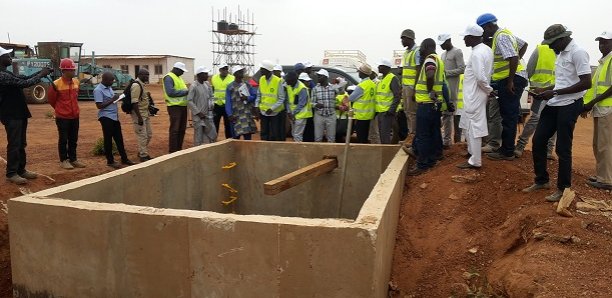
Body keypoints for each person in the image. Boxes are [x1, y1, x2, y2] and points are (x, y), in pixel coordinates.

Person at [523, 24, 592, 202]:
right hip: (555, 103)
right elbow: (562, 82)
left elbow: (586, 83)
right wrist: (544, 90)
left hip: (570, 104)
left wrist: (553, 93)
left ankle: (563, 189)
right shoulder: (561, 54)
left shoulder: (578, 53)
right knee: (538, 140)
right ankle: (541, 181)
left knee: (563, 147)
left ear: (562, 39)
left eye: (552, 43)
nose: (550, 47)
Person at [477, 13, 529, 160]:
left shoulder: (501, 37)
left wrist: (510, 80)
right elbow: (524, 44)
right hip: (510, 78)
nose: (482, 33)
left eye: (482, 29)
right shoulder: (505, 34)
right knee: (508, 115)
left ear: (488, 26)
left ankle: (507, 151)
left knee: (509, 116)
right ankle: (506, 148)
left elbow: (512, 57)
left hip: (511, 79)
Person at [0, 46, 50, 184]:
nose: (10, 58)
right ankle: (11, 173)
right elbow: (24, 83)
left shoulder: (7, 73)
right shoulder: (2, 75)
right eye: (7, 56)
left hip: (19, 112)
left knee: (21, 143)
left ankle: (21, 170)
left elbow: (25, 77)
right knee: (14, 144)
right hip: (11, 114)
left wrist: (41, 72)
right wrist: (40, 75)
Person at [408, 39, 447, 176]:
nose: (420, 51)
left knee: (423, 135)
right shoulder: (439, 60)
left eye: (421, 49)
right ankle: (431, 160)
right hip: (434, 104)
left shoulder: (430, 59)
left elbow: (430, 74)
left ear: (426, 47)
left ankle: (423, 164)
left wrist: (430, 91)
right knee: (432, 133)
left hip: (426, 104)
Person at [456, 25, 493, 169]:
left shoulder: (477, 53)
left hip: (474, 95)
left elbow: (480, 77)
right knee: (466, 124)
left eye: (465, 37)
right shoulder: (485, 50)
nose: (464, 39)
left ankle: (475, 160)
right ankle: (471, 152)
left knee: (474, 127)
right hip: (474, 95)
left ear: (472, 37)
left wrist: (489, 90)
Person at [514, 44, 557, 159]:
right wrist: (530, 88)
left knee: (554, 120)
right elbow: (529, 71)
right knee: (535, 118)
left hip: (557, 92)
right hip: (541, 92)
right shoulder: (541, 49)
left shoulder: (566, 53)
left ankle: (548, 150)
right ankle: (520, 146)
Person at [581, 31, 612, 190]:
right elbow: (593, 88)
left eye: (605, 42)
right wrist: (588, 104)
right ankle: (602, 174)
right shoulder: (602, 63)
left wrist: (593, 102)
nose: (602, 45)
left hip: (608, 108)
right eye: (600, 42)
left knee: (604, 145)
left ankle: (606, 179)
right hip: (601, 108)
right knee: (598, 144)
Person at [47, 58, 85, 170]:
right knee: (63, 139)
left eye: (74, 69)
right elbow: (51, 100)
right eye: (72, 70)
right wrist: (60, 109)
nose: (74, 72)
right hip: (62, 117)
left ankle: (73, 159)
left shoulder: (76, 82)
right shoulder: (56, 84)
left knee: (73, 139)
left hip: (75, 116)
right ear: (64, 71)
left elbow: (76, 97)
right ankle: (64, 160)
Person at [94, 72, 135, 169]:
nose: (113, 82)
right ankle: (110, 160)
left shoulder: (109, 88)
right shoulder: (98, 90)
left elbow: (113, 100)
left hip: (114, 117)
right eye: (111, 80)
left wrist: (119, 97)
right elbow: (99, 106)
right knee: (108, 139)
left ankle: (124, 158)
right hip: (106, 117)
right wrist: (112, 99)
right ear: (105, 80)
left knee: (119, 139)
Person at [437, 34, 466, 147]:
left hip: (452, 88)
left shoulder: (457, 52)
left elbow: (462, 68)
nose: (442, 46)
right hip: (442, 89)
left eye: (443, 43)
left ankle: (447, 141)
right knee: (444, 115)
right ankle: (445, 139)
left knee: (448, 114)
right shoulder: (443, 55)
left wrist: (447, 73)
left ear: (448, 41)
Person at [312, 69, 344, 142]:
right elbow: (311, 102)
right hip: (319, 115)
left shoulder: (333, 87)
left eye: (320, 76)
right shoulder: (315, 89)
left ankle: (330, 153)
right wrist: (316, 104)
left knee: (331, 138)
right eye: (318, 76)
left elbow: (342, 92)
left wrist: (339, 83)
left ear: (325, 77)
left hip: (331, 115)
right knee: (318, 138)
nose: (318, 78)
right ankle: (318, 153)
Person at [256, 60, 286, 141]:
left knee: (274, 134)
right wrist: (256, 106)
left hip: (274, 113)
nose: (260, 70)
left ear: (267, 70)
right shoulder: (261, 79)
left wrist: (272, 108)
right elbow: (259, 94)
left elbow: (281, 98)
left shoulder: (278, 81)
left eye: (262, 69)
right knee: (264, 133)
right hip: (264, 112)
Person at [163, 62, 189, 153]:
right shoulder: (169, 77)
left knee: (182, 129)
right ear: (177, 69)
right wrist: (186, 92)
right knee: (175, 129)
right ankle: (173, 150)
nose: (183, 73)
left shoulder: (179, 78)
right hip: (174, 107)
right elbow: (170, 92)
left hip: (182, 106)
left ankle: (179, 149)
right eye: (182, 71)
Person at [129, 68, 154, 161]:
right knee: (142, 135)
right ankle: (143, 155)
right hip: (139, 115)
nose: (147, 77)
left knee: (149, 134)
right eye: (146, 75)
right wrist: (139, 117)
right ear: (140, 75)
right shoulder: (136, 85)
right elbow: (134, 102)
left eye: (148, 75)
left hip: (145, 114)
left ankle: (141, 151)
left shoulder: (142, 85)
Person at [226, 66, 257, 140]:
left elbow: (254, 96)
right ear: (235, 74)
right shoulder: (230, 87)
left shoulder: (247, 85)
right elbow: (228, 101)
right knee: (236, 137)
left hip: (246, 113)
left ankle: (247, 151)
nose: (242, 73)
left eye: (242, 71)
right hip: (235, 114)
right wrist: (229, 114)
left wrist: (247, 98)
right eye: (240, 72)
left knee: (247, 136)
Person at [188, 66, 217, 145]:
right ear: (199, 75)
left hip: (208, 115)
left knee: (211, 134)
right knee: (198, 136)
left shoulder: (207, 84)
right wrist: (198, 112)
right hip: (198, 116)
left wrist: (211, 106)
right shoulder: (194, 86)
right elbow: (189, 101)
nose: (207, 75)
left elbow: (211, 96)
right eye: (205, 74)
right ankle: (198, 153)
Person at [348, 64, 376, 143]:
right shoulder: (372, 84)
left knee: (361, 138)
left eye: (359, 72)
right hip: (369, 115)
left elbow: (351, 98)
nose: (358, 73)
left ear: (363, 73)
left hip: (361, 116)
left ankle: (362, 154)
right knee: (365, 137)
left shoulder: (362, 86)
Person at [375, 59, 401, 144]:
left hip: (387, 112)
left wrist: (391, 110)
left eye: (380, 66)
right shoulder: (382, 79)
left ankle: (387, 154)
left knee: (385, 136)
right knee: (382, 135)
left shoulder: (392, 78)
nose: (378, 67)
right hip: (381, 111)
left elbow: (397, 96)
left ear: (385, 67)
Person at [400, 29, 420, 137]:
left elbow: (418, 70)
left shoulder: (416, 51)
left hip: (412, 87)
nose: (402, 41)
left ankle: (413, 135)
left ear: (409, 38)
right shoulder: (407, 53)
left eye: (403, 39)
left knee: (412, 113)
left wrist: (415, 89)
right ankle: (410, 135)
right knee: (407, 112)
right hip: (406, 86)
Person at [286, 71, 312, 142]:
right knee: (294, 134)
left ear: (293, 80)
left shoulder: (302, 88)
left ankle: (298, 151)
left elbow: (302, 103)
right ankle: (296, 150)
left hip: (301, 115)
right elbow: (288, 101)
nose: (286, 82)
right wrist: (289, 112)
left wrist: (293, 113)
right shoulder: (289, 86)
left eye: (288, 80)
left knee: (297, 135)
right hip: (293, 114)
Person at [211, 64, 234, 139]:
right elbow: (213, 89)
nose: (225, 71)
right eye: (223, 69)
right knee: (214, 124)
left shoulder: (232, 78)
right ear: (220, 70)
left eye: (226, 69)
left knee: (228, 125)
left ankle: (229, 141)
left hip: (227, 106)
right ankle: (213, 141)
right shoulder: (214, 78)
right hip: (217, 105)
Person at [298, 71, 316, 142]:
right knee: (302, 134)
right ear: (302, 81)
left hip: (308, 115)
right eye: (307, 81)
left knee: (309, 134)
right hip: (302, 115)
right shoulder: (301, 90)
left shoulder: (308, 89)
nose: (309, 83)